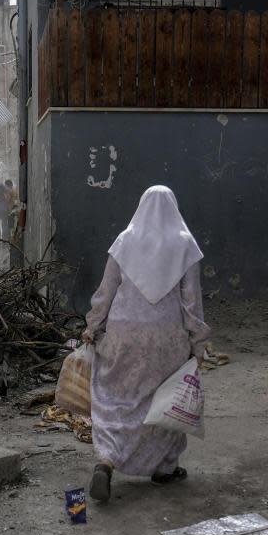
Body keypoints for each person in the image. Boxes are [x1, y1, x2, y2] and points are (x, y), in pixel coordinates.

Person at [80, 186, 210, 503]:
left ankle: (107, 460)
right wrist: (198, 343)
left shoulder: (125, 242)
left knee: (117, 397)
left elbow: (105, 292)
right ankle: (165, 467)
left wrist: (92, 325)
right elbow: (191, 302)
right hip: (168, 337)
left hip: (124, 334)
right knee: (163, 399)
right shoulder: (183, 244)